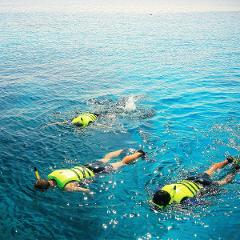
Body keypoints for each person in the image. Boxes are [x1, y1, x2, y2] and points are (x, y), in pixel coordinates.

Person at [34, 149, 146, 192]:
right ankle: (124, 149)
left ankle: (140, 153)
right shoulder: (52, 174)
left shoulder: (65, 187)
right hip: (87, 166)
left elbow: (84, 190)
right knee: (106, 158)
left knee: (121, 163)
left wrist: (89, 193)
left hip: (95, 172)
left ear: (46, 189)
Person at [150, 155, 240, 209]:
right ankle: (228, 160)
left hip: (203, 186)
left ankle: (236, 169)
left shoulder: (183, 200)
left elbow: (201, 203)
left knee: (224, 182)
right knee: (211, 169)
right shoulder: (163, 188)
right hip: (192, 179)